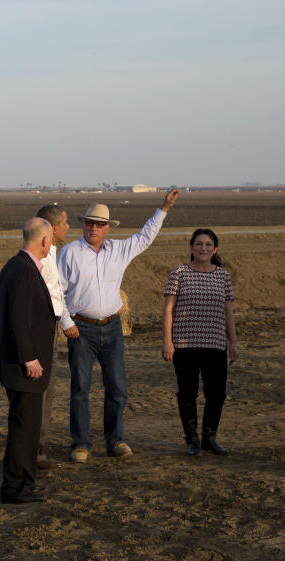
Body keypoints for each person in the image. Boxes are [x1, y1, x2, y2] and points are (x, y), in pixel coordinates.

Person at [58, 189, 180, 462]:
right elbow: (56, 291)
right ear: (84, 225)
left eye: (98, 224)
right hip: (81, 329)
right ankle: (80, 444)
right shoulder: (69, 253)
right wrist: (66, 322)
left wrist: (164, 208)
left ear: (107, 228)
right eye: (89, 223)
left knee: (117, 388)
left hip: (112, 328)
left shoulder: (120, 250)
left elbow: (146, 236)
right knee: (80, 389)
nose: (93, 228)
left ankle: (115, 441)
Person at [0, 217, 57, 504]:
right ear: (44, 241)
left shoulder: (17, 266)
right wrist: (30, 358)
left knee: (27, 428)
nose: (51, 243)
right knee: (23, 428)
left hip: (19, 366)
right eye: (51, 238)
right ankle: (15, 488)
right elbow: (18, 319)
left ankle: (24, 484)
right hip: (23, 369)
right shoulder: (23, 271)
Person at [162, 229, 238, 456]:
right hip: (185, 344)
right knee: (188, 393)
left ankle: (209, 438)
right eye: (198, 244)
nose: (203, 248)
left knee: (217, 393)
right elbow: (168, 310)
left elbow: (229, 313)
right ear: (191, 247)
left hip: (215, 344)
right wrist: (167, 341)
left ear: (215, 249)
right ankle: (192, 439)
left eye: (208, 244)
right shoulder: (179, 273)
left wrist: (233, 343)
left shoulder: (223, 275)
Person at [34, 204, 70, 471]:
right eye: (66, 222)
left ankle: (38, 449)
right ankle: (36, 452)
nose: (69, 227)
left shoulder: (53, 255)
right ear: (54, 227)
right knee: (41, 393)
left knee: (46, 392)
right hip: (42, 331)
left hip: (50, 328)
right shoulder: (42, 260)